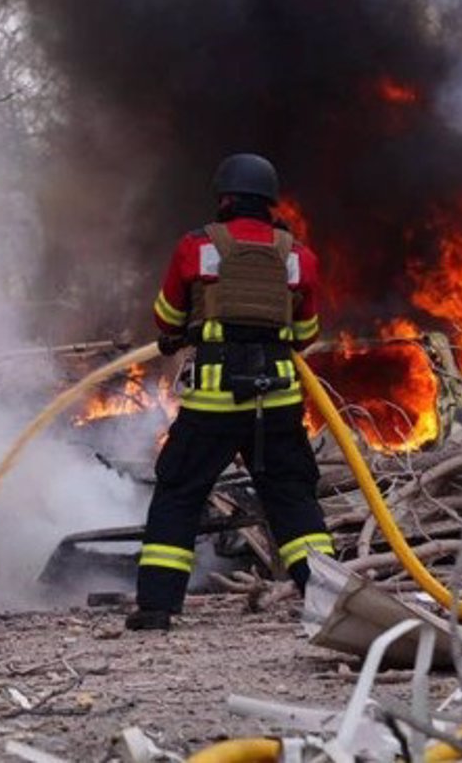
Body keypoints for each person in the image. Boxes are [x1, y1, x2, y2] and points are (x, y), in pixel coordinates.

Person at [129, 153, 334, 631]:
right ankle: (327, 603)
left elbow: (167, 316)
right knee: (292, 498)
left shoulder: (196, 247)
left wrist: (196, 325)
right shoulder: (299, 257)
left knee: (180, 492)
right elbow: (306, 332)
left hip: (214, 402)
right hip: (276, 400)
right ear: (271, 202)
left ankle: (158, 607)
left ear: (224, 199)